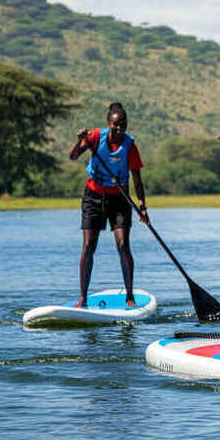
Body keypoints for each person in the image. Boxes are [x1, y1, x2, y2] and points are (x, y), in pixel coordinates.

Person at [69, 102, 149, 307]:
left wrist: (142, 207)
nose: (119, 128)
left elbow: (137, 180)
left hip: (120, 199)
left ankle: (129, 296)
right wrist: (80, 142)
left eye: (123, 124)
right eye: (116, 124)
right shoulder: (95, 137)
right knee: (88, 246)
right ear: (108, 124)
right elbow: (73, 156)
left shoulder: (130, 146)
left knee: (123, 245)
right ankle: (82, 298)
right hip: (93, 197)